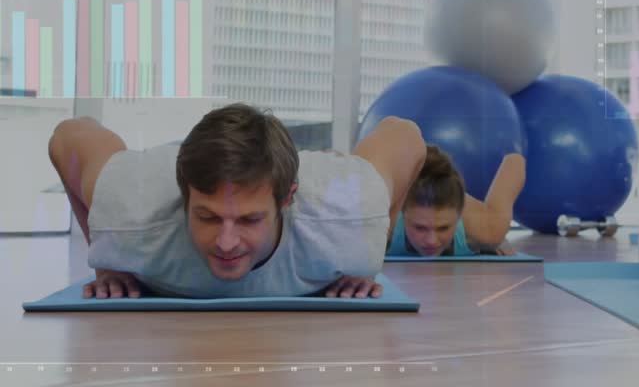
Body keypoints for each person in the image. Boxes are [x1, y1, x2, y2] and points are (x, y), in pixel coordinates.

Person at [47, 103, 426, 299]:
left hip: (320, 191)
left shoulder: (345, 217)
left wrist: (366, 250)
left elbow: (404, 135)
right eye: (208, 218)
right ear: (185, 199)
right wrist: (110, 258)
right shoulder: (132, 215)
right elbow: (69, 136)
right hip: (159, 178)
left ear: (285, 201)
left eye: (248, 220)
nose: (226, 242)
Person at [387, 145, 525, 257]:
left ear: (459, 215)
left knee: (494, 231)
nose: (431, 241)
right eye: (420, 228)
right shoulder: (382, 225)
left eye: (443, 228)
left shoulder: (487, 228)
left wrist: (496, 236)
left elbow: (515, 162)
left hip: (477, 221)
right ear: (403, 214)